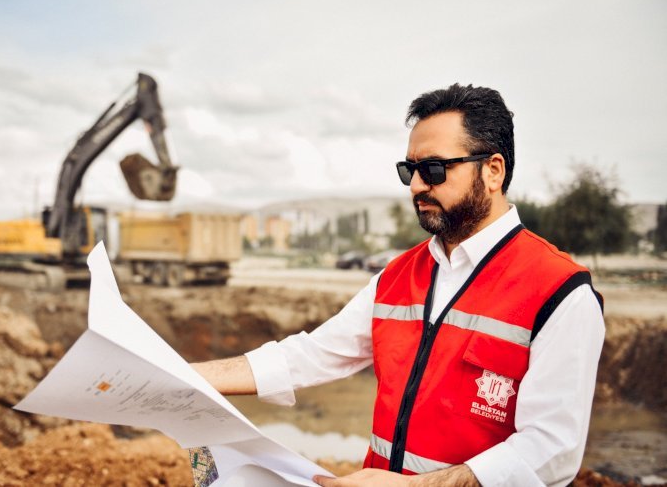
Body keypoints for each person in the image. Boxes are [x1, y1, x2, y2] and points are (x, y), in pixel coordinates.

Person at [193, 84, 605, 487]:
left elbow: (551, 451)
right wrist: (180, 376)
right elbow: (310, 355)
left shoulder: (559, 292)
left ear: (493, 171)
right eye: (410, 170)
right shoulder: (397, 276)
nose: (416, 186)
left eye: (434, 169)